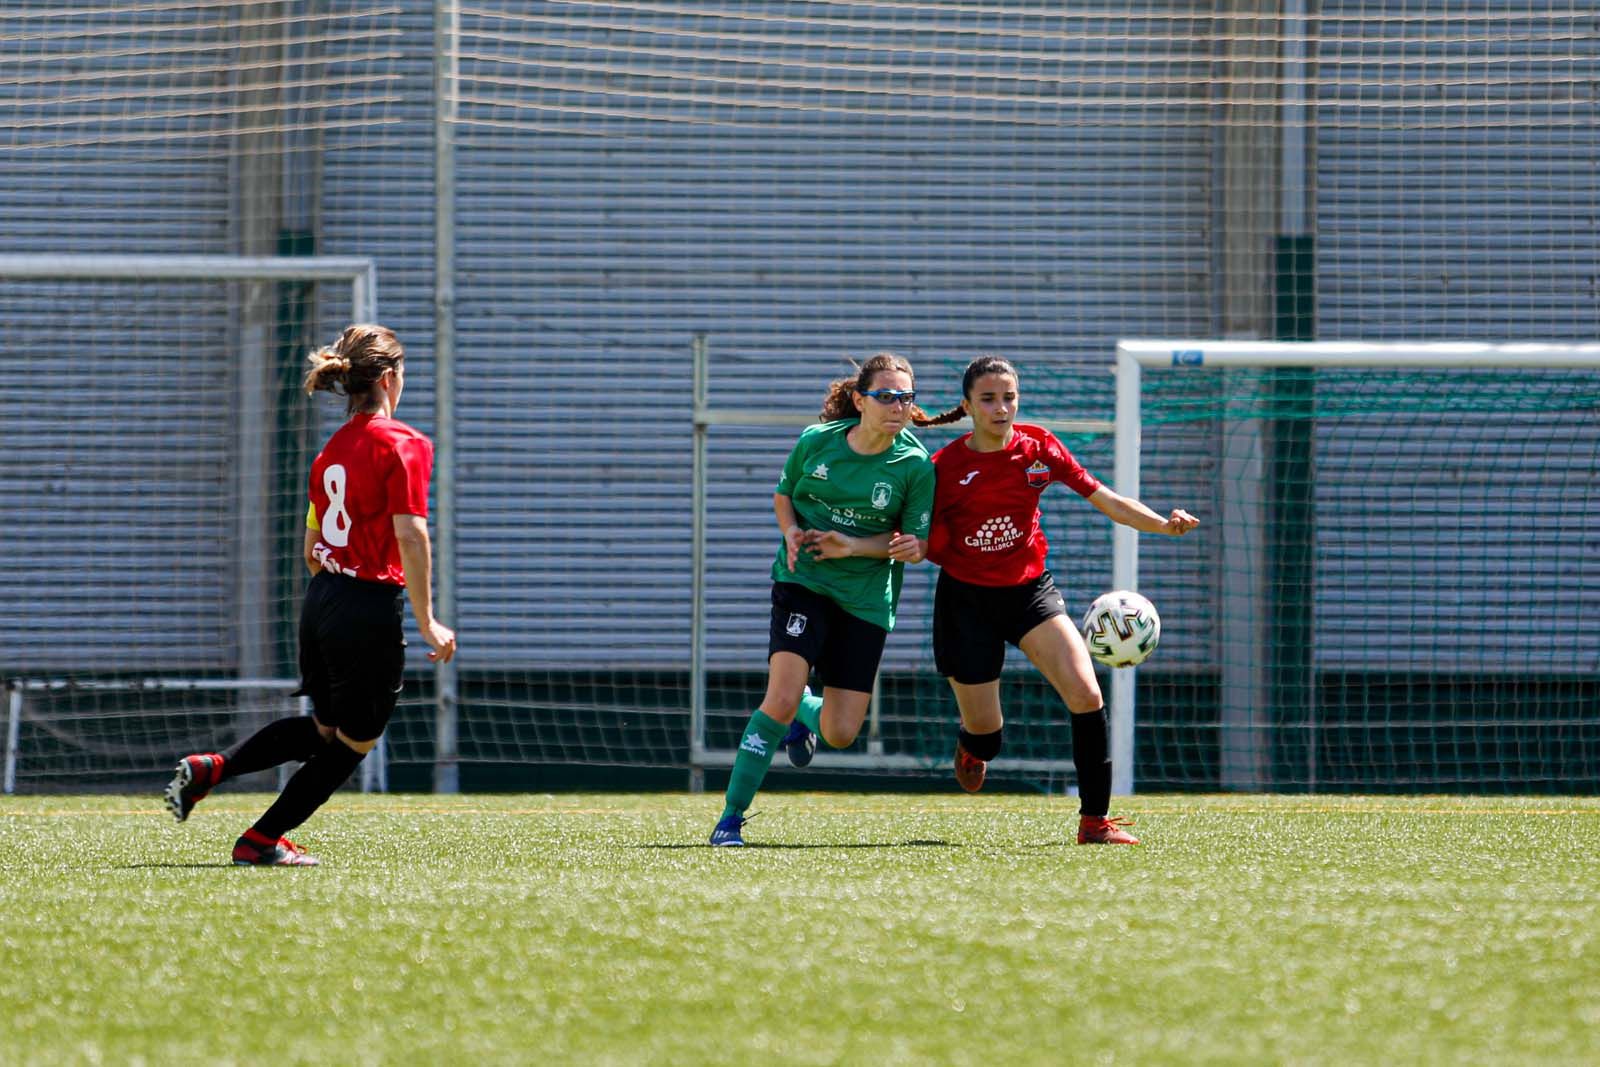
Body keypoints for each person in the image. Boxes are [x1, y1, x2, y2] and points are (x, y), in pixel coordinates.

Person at [164, 324, 456, 866]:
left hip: (321, 602)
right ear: (390, 379)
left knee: (324, 729)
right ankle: (260, 840)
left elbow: (310, 546)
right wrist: (428, 619)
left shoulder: (330, 453)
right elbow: (411, 534)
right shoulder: (406, 444)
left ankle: (214, 768)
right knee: (353, 743)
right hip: (368, 610)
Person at [914, 355, 1198, 845]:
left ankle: (1095, 823)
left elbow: (1106, 498)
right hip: (966, 602)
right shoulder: (945, 468)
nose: (1001, 408)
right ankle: (971, 743)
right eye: (988, 399)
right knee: (988, 736)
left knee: (1087, 694)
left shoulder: (1038, 448)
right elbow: (918, 541)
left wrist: (1161, 524)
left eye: (1009, 397)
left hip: (1029, 593)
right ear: (967, 406)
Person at [710, 352, 937, 846]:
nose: (898, 406)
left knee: (840, 732)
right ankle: (730, 817)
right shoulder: (817, 442)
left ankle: (804, 716)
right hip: (804, 583)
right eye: (886, 396)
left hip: (866, 601)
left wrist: (858, 545)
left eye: (906, 397)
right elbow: (784, 494)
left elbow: (915, 548)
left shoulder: (915, 465)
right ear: (860, 400)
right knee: (780, 697)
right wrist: (791, 532)